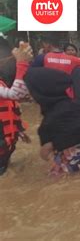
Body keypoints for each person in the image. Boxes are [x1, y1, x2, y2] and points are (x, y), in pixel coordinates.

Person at [25, 67, 80, 175]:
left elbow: (46, 152)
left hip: (69, 170)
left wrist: (43, 154)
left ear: (40, 94)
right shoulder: (74, 106)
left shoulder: (48, 122)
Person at [0, 41, 32, 175]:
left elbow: (13, 101)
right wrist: (22, 63)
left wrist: (18, 130)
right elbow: (17, 93)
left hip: (5, 144)